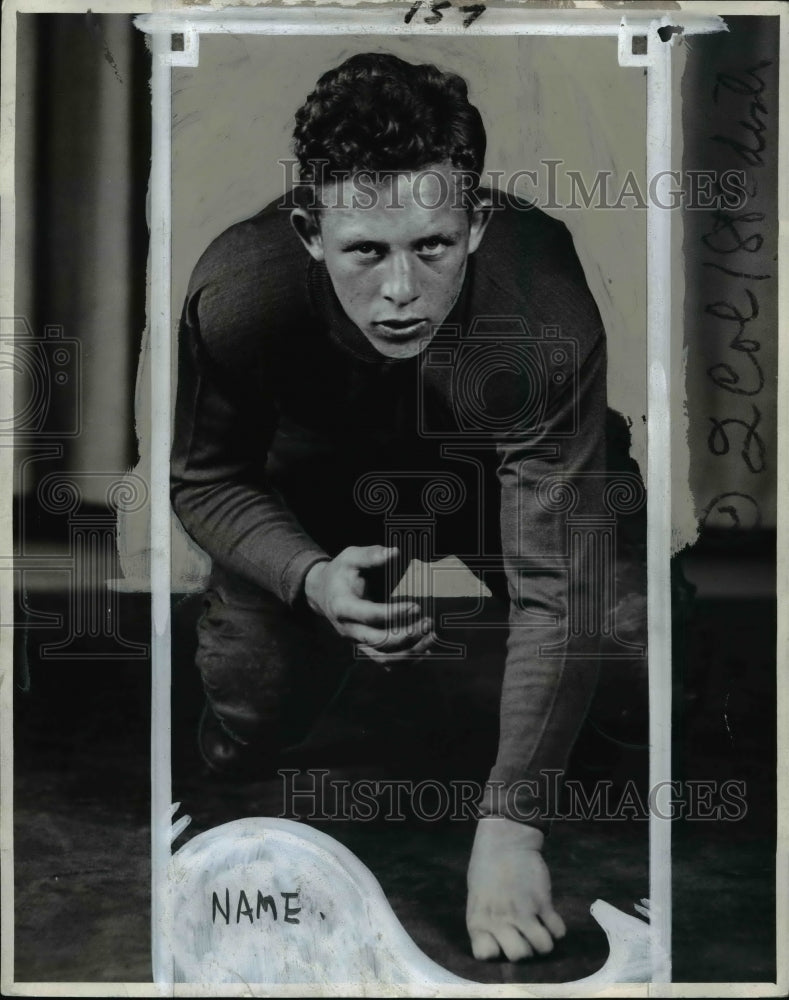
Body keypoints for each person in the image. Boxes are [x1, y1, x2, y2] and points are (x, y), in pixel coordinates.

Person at [171, 51, 636, 963]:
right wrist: (306, 578)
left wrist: (513, 825)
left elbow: (557, 585)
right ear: (308, 231)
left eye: (431, 246)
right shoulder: (241, 293)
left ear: (476, 224)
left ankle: (565, 751)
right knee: (250, 698)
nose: (398, 292)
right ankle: (220, 774)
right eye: (363, 251)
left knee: (629, 644)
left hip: (488, 477)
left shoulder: (542, 309)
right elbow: (204, 479)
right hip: (319, 483)